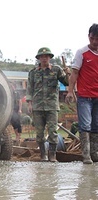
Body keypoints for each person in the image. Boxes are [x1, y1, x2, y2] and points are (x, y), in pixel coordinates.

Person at [26, 47, 70, 162]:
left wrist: (68, 73)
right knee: (39, 134)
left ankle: (52, 155)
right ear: (39, 58)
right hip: (38, 107)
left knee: (53, 132)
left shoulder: (56, 70)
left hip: (51, 106)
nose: (44, 58)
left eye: (46, 56)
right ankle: (43, 155)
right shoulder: (33, 72)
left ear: (49, 58)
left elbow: (67, 82)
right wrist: (29, 104)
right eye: (42, 56)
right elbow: (29, 89)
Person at [65, 23, 98, 164]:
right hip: (85, 96)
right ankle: (86, 155)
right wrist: (70, 91)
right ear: (88, 37)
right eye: (92, 38)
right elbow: (74, 73)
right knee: (85, 125)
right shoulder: (82, 52)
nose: (95, 42)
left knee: (96, 125)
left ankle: (95, 153)